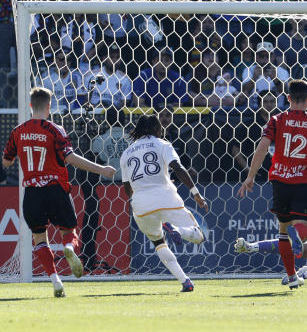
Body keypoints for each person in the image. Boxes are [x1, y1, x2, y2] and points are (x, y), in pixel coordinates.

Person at [2, 87, 116, 297]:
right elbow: (71, 158)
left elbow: (6, 161)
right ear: (48, 106)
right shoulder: (55, 130)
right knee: (69, 232)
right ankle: (69, 249)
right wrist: (101, 169)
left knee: (39, 238)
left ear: (29, 105)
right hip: (55, 189)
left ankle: (55, 281)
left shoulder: (17, 131)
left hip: (32, 193)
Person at [237, 79, 307, 289]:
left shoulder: (276, 119)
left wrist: (250, 176)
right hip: (304, 182)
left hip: (280, 181)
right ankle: (298, 237)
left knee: (282, 231)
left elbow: (262, 147)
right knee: (304, 231)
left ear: (288, 98)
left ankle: (292, 276)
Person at [120, 114, 208, 292]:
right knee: (199, 236)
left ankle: (185, 281)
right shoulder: (163, 144)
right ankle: (178, 230)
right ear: (156, 129)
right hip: (165, 197)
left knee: (159, 242)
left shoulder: (126, 153)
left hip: (141, 204)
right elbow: (178, 167)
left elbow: (127, 187)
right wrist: (196, 193)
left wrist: (138, 200)